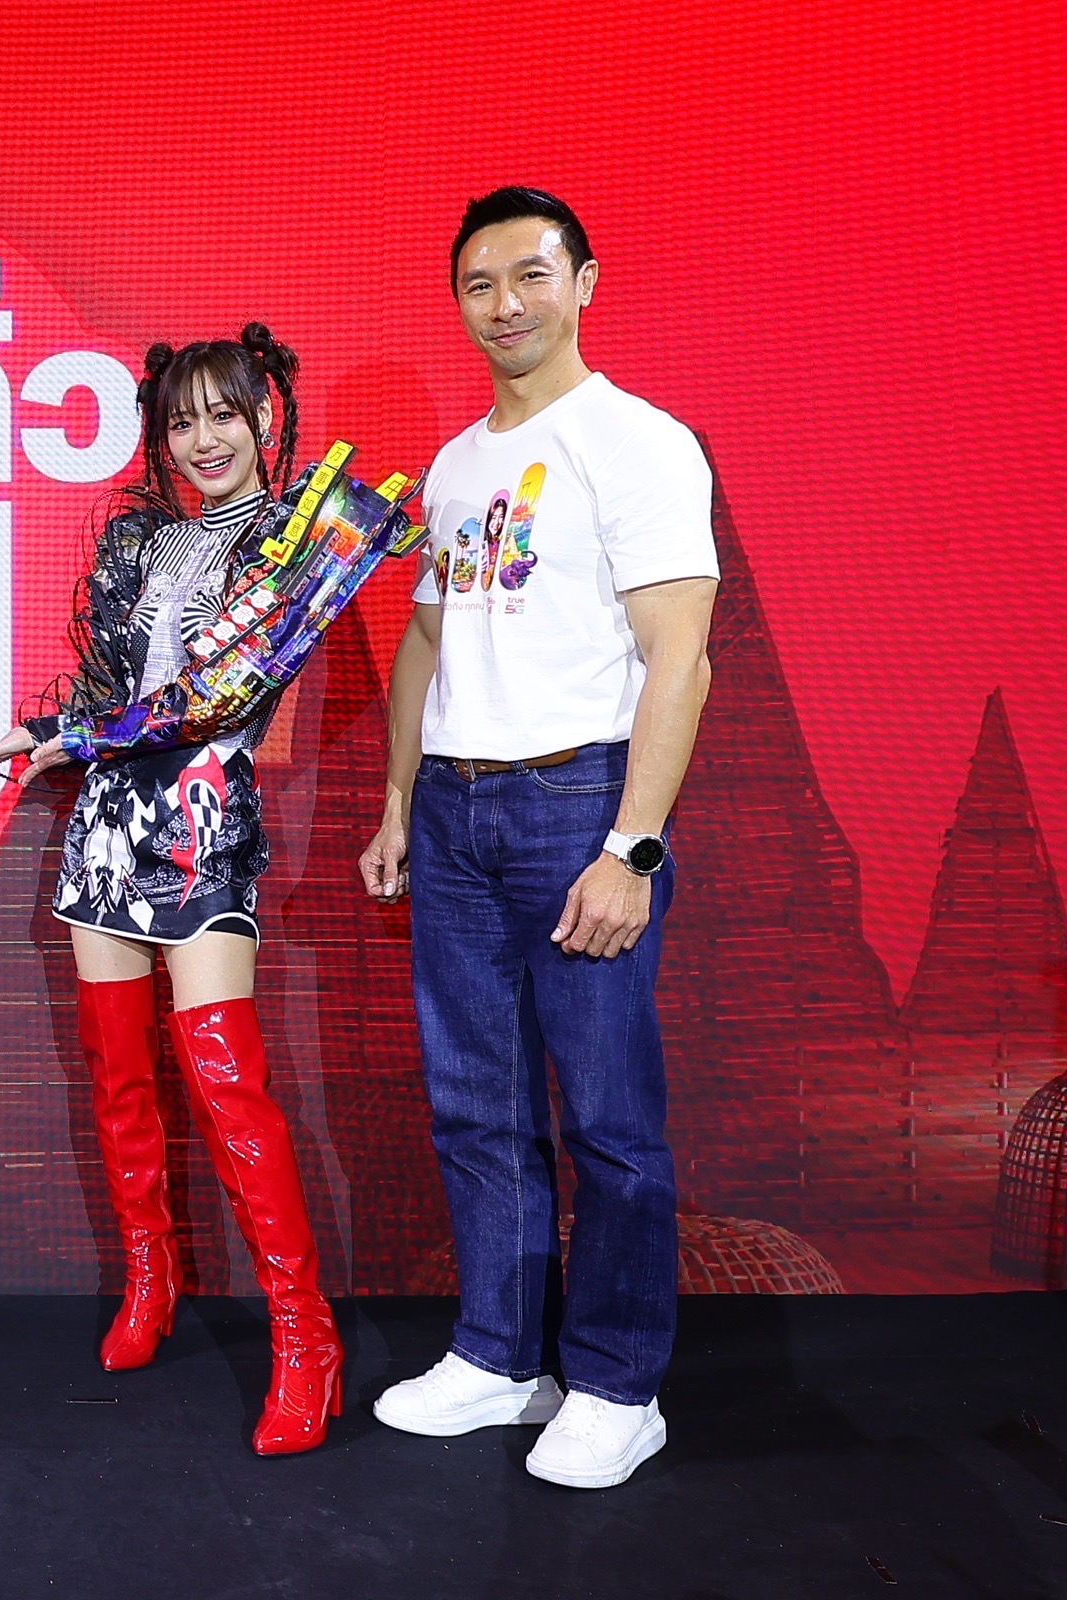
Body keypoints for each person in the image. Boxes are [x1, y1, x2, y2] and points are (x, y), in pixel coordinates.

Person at [359, 188, 718, 1489]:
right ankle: (502, 1358)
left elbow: (683, 658)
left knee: (609, 1118)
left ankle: (618, 1385)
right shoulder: (455, 466)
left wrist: (634, 848)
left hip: (581, 804)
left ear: (584, 282)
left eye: (530, 275)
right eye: (479, 283)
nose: (504, 304)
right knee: (476, 1103)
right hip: (456, 812)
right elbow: (427, 639)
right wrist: (399, 801)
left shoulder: (637, 442)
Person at [0, 327, 360, 1456]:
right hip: (106, 827)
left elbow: (217, 699)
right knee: (119, 1071)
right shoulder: (139, 538)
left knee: (228, 1085)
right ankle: (151, 1277)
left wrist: (83, 735)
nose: (204, 439)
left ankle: (304, 1338)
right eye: (181, 422)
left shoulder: (297, 542)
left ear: (266, 418)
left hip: (202, 818)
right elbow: (101, 684)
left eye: (224, 414)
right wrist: (37, 732)